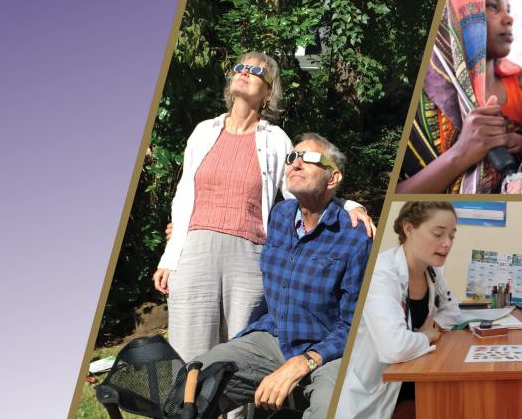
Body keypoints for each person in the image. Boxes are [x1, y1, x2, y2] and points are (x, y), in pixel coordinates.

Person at [152, 51, 371, 363]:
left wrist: (348, 204)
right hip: (195, 252)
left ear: (268, 92)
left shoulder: (276, 140)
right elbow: (184, 194)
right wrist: (170, 255)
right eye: (241, 66)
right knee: (188, 354)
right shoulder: (203, 131)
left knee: (237, 358)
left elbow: (301, 192)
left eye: (257, 71)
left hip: (249, 257)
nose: (245, 71)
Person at [190, 134, 371, 417]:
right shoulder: (280, 215)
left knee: (332, 408)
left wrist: (304, 363)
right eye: (291, 157)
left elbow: (355, 324)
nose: (295, 163)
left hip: (329, 349)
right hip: (275, 336)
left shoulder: (356, 237)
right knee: (196, 379)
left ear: (333, 178)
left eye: (309, 158)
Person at [337, 202, 464, 419]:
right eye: (438, 233)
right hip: (376, 394)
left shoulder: (432, 270)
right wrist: (425, 335)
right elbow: (394, 348)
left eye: (452, 236)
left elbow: (453, 312)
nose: (447, 244)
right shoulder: (382, 273)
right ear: (409, 229)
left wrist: (428, 330)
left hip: (414, 379)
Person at [397, 0, 515, 194]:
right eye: (492, 6)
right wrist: (462, 152)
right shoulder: (421, 94)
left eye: (508, 9)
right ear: (454, 13)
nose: (509, 18)